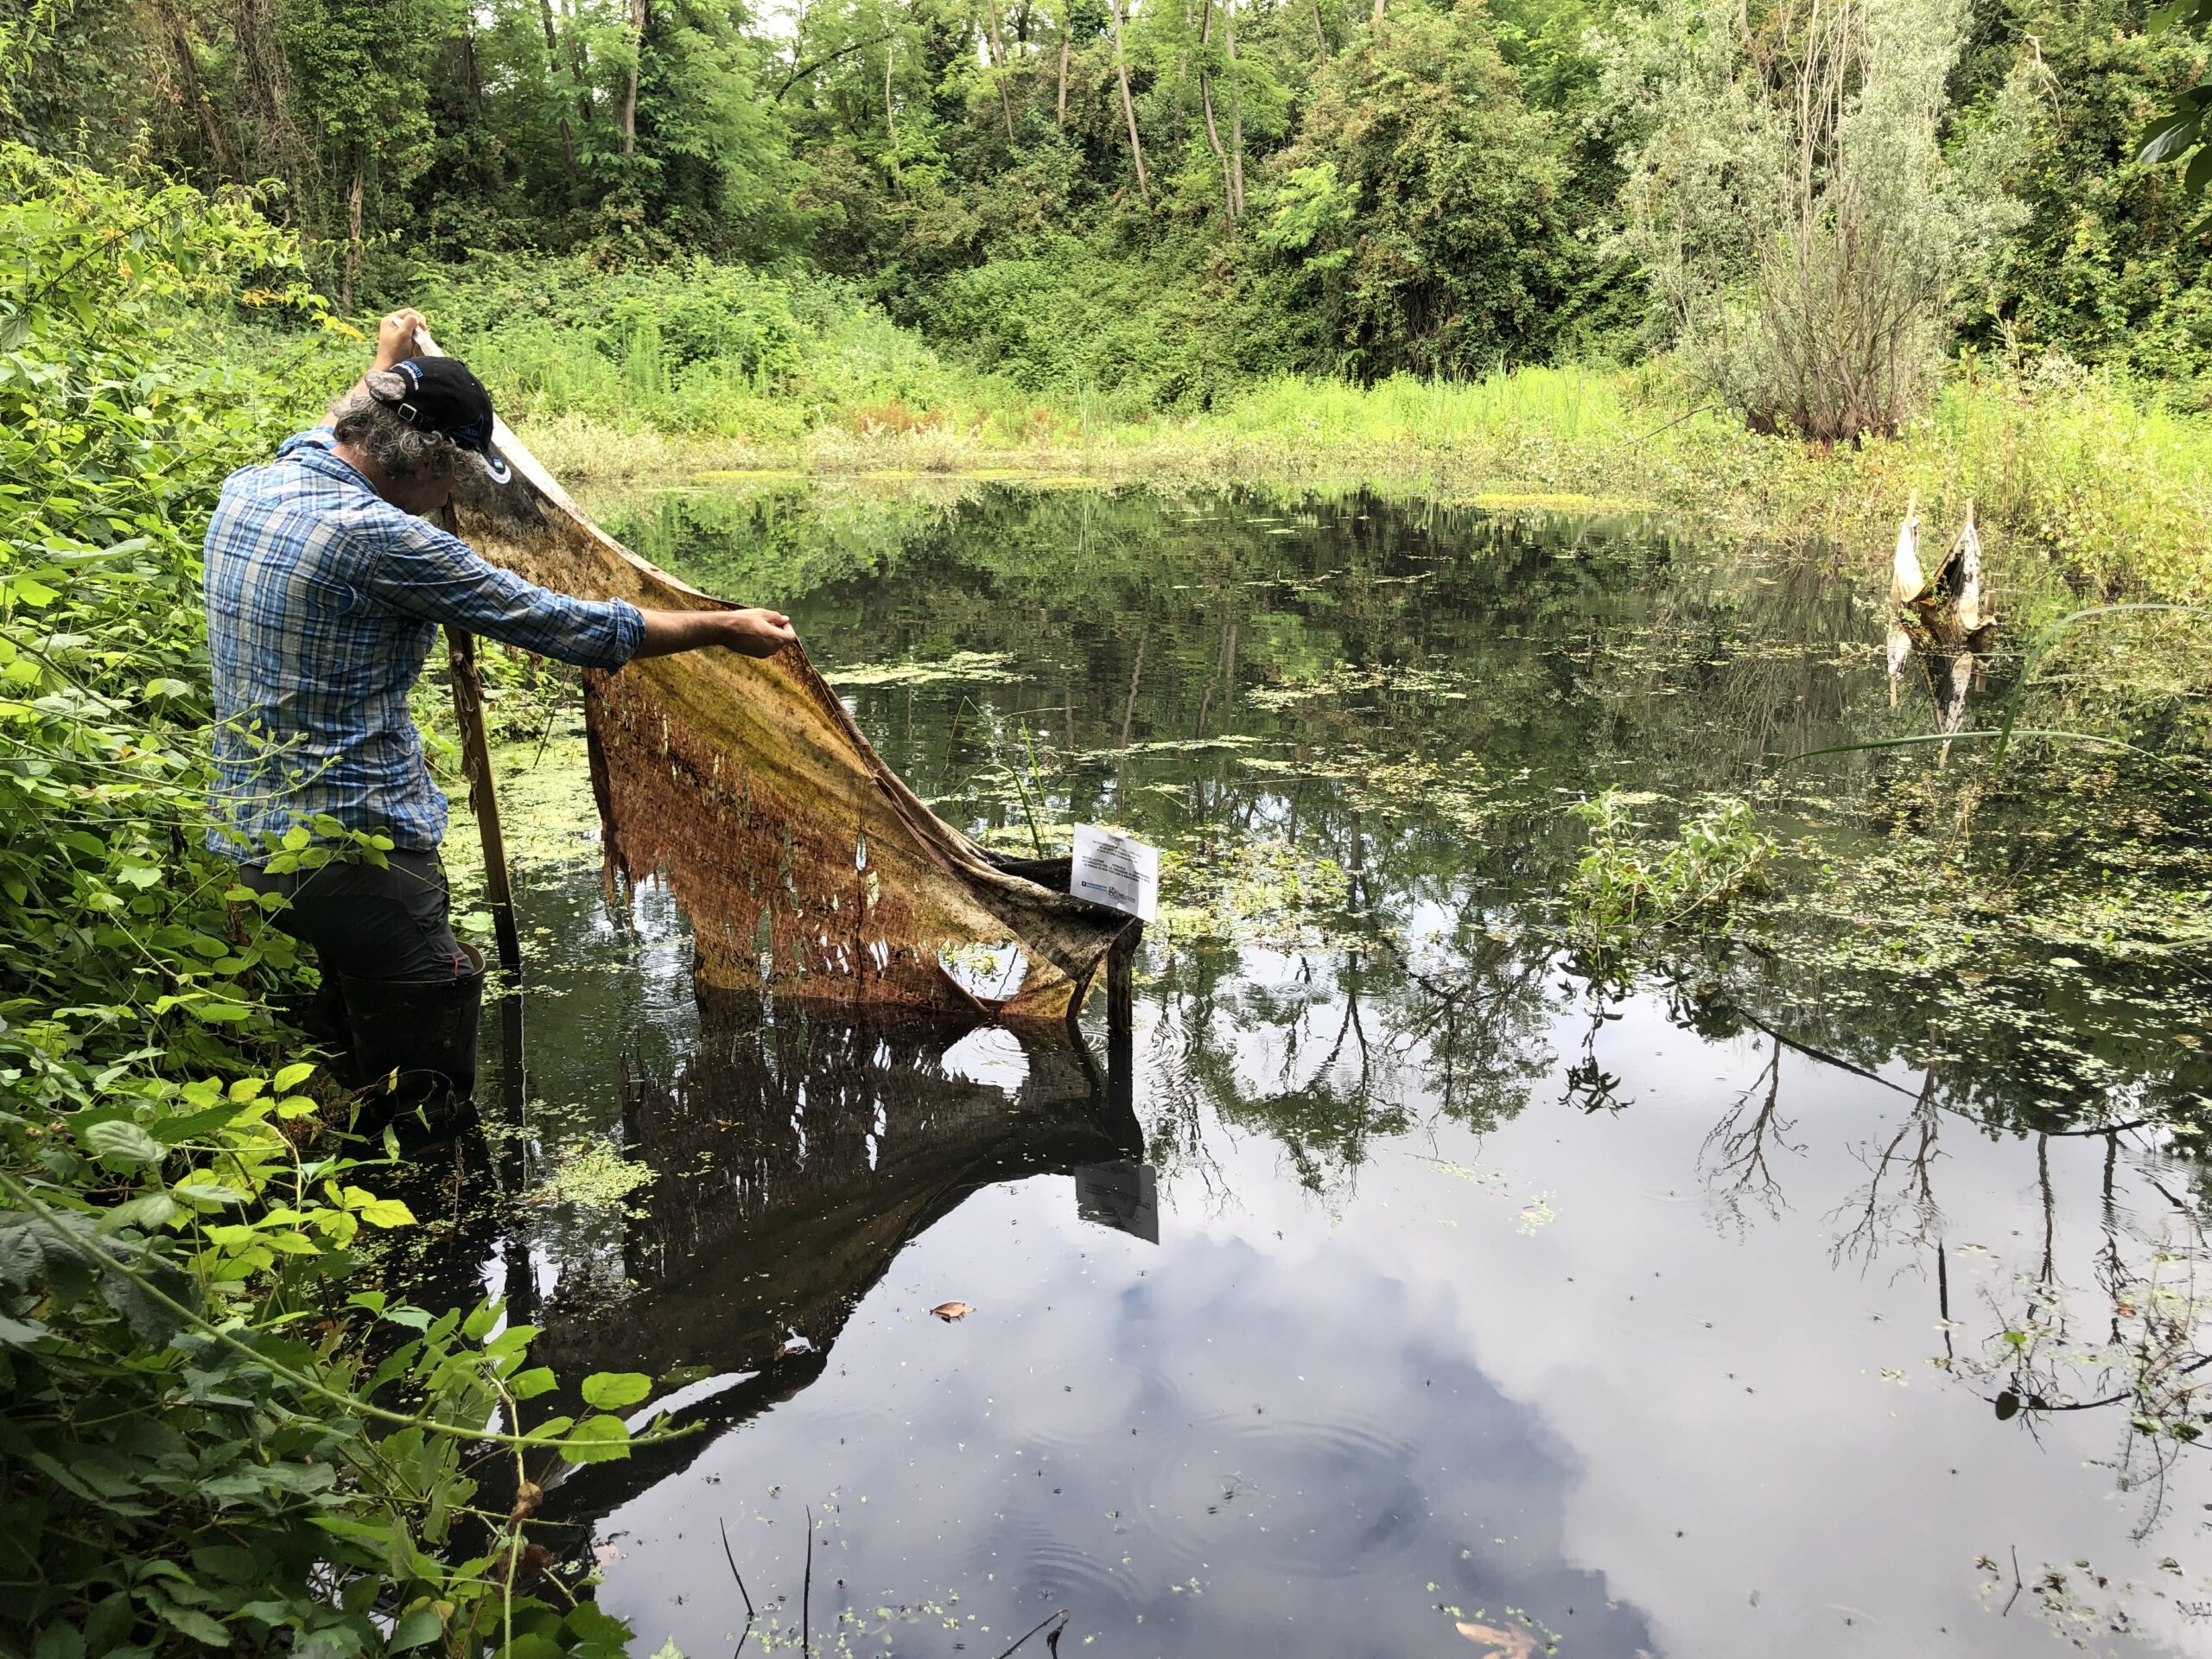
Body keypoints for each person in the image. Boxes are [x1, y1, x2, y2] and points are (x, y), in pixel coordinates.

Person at [204, 308, 795, 1135]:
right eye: (457, 479)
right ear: (428, 462)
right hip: (358, 854)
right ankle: (433, 1208)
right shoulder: (388, 543)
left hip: (244, 844)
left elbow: (337, 420)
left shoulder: (262, 482)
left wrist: (389, 359)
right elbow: (568, 625)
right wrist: (717, 628)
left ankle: (341, 1189)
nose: (455, 497)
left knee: (329, 1049)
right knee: (423, 1079)